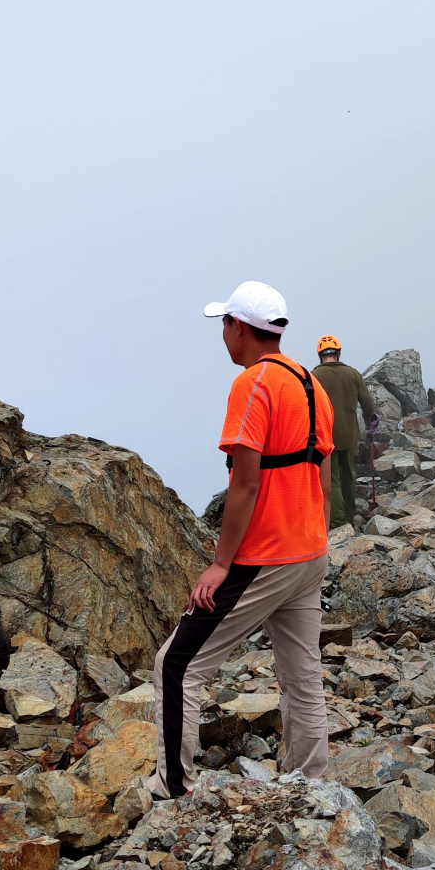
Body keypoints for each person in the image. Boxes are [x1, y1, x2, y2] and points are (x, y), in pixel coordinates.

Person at [148, 280, 338, 799]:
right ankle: (309, 787)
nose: (223, 336)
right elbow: (321, 476)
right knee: (302, 674)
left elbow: (247, 481)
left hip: (266, 555)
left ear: (239, 327)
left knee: (177, 665)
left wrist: (219, 564)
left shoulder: (253, 384)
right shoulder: (311, 385)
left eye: (224, 325)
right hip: (309, 552)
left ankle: (174, 788)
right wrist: (313, 538)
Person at [310, 335, 380, 528]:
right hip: (349, 434)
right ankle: (350, 515)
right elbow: (368, 404)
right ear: (339, 353)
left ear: (319, 355)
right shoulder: (353, 374)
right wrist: (370, 420)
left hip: (324, 436)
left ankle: (338, 520)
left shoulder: (313, 377)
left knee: (331, 478)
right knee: (348, 474)